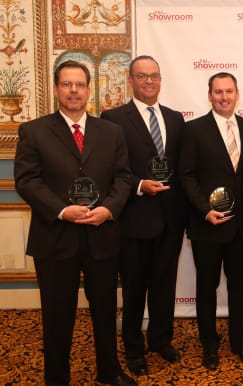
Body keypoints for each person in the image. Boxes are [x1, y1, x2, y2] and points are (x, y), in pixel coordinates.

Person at [14, 60, 136, 386]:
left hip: (101, 234)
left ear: (88, 90)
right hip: (55, 236)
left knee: (105, 309)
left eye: (80, 85)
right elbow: (27, 181)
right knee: (57, 313)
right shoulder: (34, 131)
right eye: (67, 84)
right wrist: (61, 210)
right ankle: (57, 377)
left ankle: (109, 371)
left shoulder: (111, 132)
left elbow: (123, 177)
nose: (73, 91)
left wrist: (108, 209)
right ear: (56, 89)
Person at [101, 55, 187, 376]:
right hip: (134, 218)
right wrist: (139, 185)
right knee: (135, 289)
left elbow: (182, 167)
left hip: (171, 219)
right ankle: (134, 349)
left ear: (160, 80)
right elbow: (110, 168)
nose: (148, 81)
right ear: (131, 80)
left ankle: (161, 340)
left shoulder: (175, 119)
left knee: (165, 285)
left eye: (153, 76)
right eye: (141, 76)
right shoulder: (113, 118)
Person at [179, 72, 243, 370]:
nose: (224, 97)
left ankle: (239, 341)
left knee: (239, 288)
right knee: (206, 288)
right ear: (210, 95)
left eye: (229, 91)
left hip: (240, 226)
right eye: (218, 92)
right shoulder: (193, 129)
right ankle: (209, 344)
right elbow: (186, 175)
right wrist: (204, 210)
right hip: (207, 225)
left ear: (237, 94)